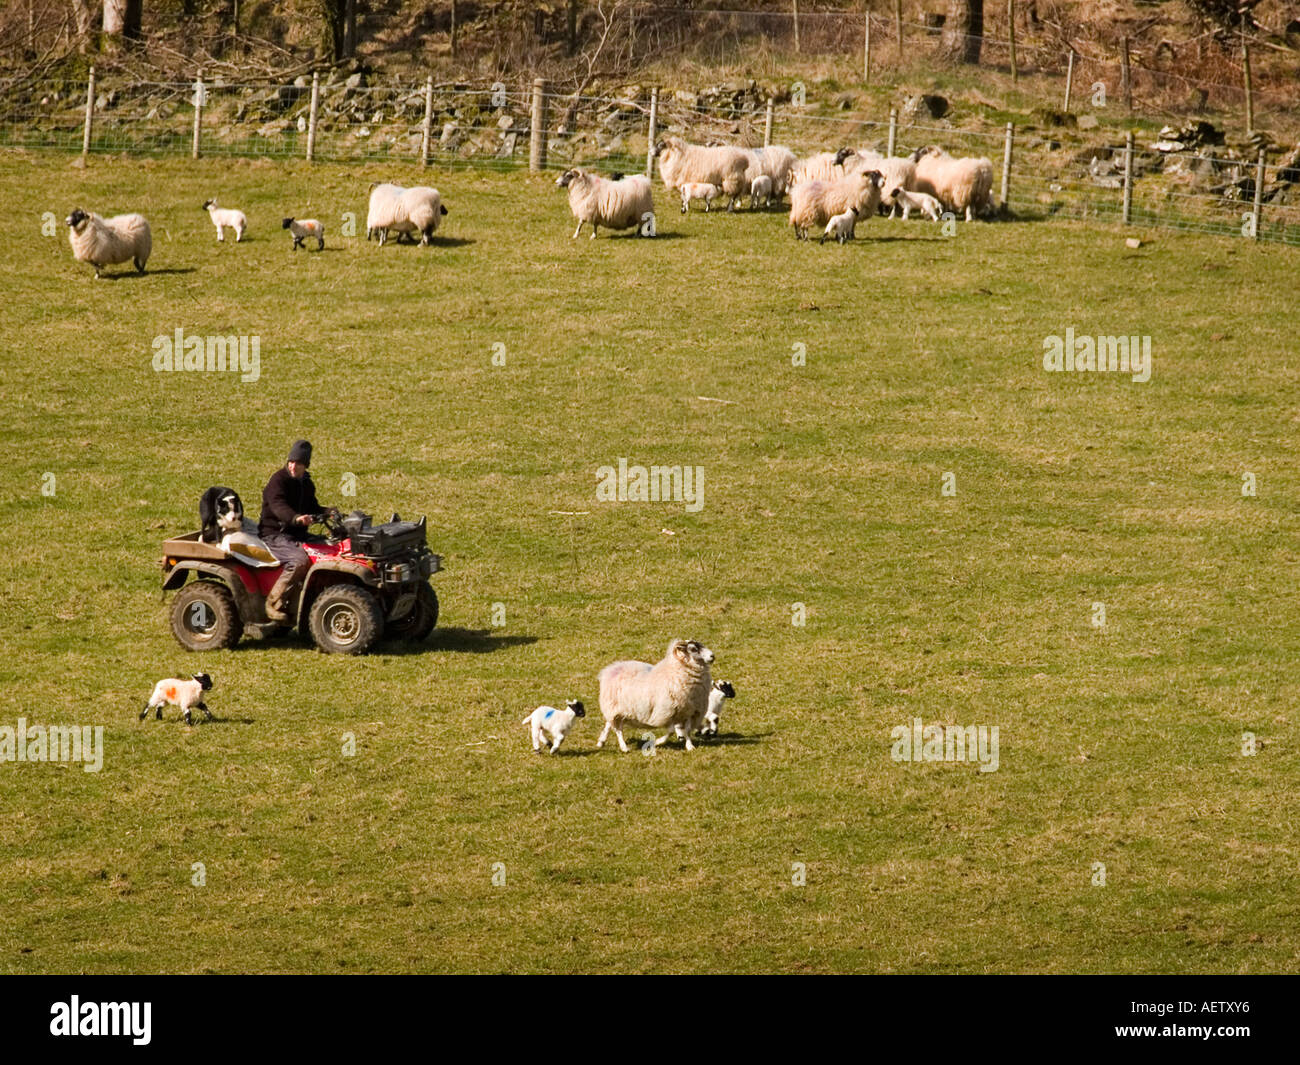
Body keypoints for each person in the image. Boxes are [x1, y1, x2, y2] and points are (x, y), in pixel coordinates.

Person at [258, 439, 334, 622]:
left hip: (297, 534)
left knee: (329, 549)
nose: (293, 466)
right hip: (275, 535)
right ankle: (273, 602)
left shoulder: (306, 484)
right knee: (299, 561)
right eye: (291, 462)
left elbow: (312, 506)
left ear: (305, 466)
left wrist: (328, 512)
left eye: (298, 463)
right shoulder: (277, 481)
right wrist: (296, 518)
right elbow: (278, 506)